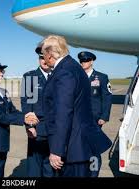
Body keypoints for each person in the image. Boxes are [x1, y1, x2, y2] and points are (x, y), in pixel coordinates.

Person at [41, 35, 112, 177]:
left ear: (49, 54)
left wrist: (56, 150)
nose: (43, 58)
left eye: (43, 54)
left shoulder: (64, 72)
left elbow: (63, 112)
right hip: (81, 142)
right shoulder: (74, 67)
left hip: (74, 146)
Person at [0, 60, 39, 177]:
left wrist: (26, 117)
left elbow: (12, 111)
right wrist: (23, 120)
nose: (1, 74)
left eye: (2, 71)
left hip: (1, 142)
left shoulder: (3, 92)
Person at [78, 51, 112, 177]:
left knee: (94, 149)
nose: (83, 63)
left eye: (86, 60)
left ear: (91, 61)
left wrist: (104, 117)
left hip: (94, 119)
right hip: (79, 119)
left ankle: (93, 173)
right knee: (80, 147)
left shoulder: (101, 77)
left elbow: (107, 98)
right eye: (81, 61)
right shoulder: (77, 76)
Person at [21, 44, 54, 177]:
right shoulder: (31, 77)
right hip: (38, 127)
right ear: (39, 59)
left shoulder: (58, 76)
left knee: (50, 166)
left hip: (55, 128)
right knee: (34, 166)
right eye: (41, 58)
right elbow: (27, 104)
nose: (44, 61)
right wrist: (29, 126)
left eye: (47, 58)